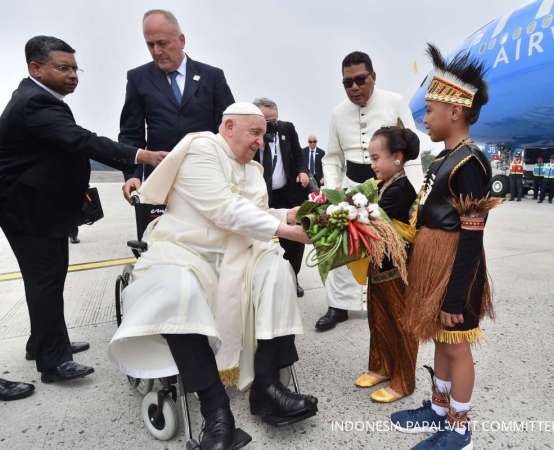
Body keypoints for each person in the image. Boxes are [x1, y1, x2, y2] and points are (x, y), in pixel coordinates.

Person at [109, 103, 318, 450]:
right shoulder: (201, 149)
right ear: (229, 126)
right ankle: (216, 410)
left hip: (238, 252)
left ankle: (266, 388)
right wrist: (285, 230)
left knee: (278, 269)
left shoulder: (252, 169)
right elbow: (224, 209)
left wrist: (289, 214)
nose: (260, 143)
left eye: (263, 136)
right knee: (179, 291)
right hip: (186, 250)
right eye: (255, 133)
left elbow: (256, 213)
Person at [0, 36, 165, 385]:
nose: (73, 75)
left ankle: (43, 342)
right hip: (28, 212)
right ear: (35, 68)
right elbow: (81, 140)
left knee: (47, 280)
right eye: (63, 68)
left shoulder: (40, 99)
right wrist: (142, 155)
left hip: (37, 209)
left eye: (75, 68)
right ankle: (53, 362)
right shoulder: (35, 103)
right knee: (45, 281)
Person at [391, 45, 497, 450]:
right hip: (434, 262)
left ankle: (458, 428)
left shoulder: (470, 162)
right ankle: (437, 410)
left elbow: (472, 235)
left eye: (431, 111)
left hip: (457, 268)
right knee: (439, 338)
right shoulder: (444, 158)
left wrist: (455, 295)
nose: (425, 119)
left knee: (458, 344)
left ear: (455, 112)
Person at [316, 50, 424, 332]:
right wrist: (332, 190)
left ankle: (388, 299)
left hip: (389, 187)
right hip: (352, 186)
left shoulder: (395, 102)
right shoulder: (337, 113)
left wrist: (417, 190)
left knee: (389, 247)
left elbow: (411, 148)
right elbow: (331, 157)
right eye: (347, 82)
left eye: (360, 80)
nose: (354, 87)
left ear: (373, 77)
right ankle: (338, 305)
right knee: (342, 245)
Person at [120, 9, 235, 201]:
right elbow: (131, 133)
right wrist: (132, 175)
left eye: (163, 43)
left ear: (181, 40)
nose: (157, 51)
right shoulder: (137, 79)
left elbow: (230, 129)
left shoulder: (212, 77)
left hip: (207, 179)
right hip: (159, 183)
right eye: (150, 45)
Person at [355, 126, 419, 404]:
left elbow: (368, 220)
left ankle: (403, 381)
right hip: (378, 268)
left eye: (375, 158)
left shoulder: (401, 190)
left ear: (397, 157)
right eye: (370, 158)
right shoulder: (381, 186)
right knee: (378, 320)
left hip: (397, 272)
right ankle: (381, 367)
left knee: (401, 325)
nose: (372, 164)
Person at [252, 98, 310, 298]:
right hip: (262, 196)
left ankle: (293, 279)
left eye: (273, 120)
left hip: (288, 193)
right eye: (266, 121)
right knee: (265, 238)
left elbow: (298, 153)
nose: (271, 125)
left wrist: (303, 171)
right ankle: (267, 282)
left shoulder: (287, 129)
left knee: (294, 241)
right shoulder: (252, 137)